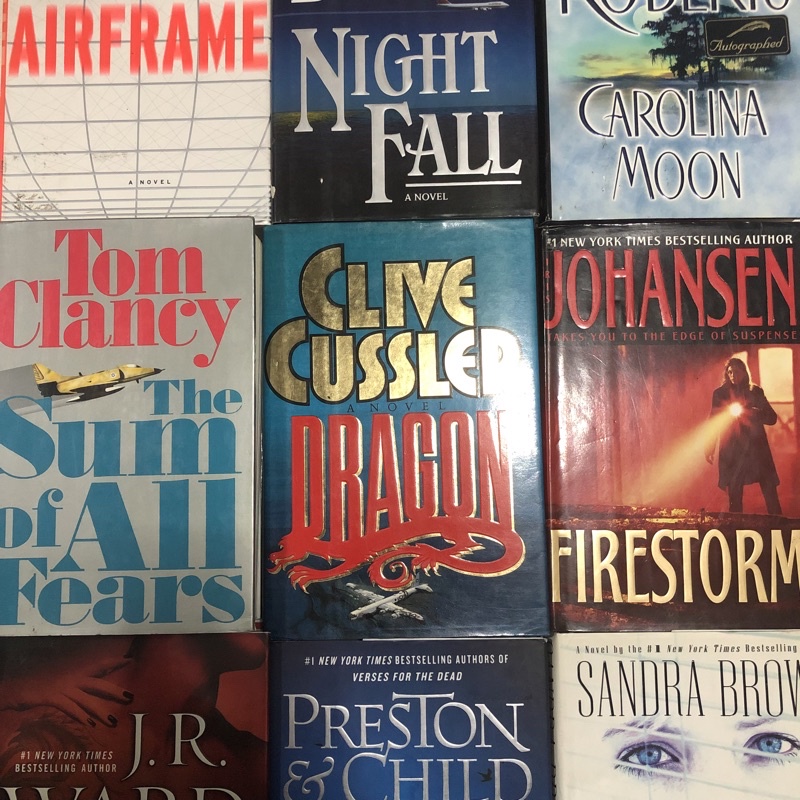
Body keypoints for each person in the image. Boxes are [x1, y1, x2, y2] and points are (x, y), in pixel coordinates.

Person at [705, 356, 782, 515]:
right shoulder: (720, 394)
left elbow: (772, 418)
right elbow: (713, 422)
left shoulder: (756, 392)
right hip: (732, 449)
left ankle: (779, 523)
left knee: (769, 490)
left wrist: (754, 412)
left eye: (737, 371)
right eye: (730, 372)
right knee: (734, 494)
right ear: (727, 374)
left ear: (744, 372)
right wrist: (709, 447)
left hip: (756, 448)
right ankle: (735, 527)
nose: (733, 375)